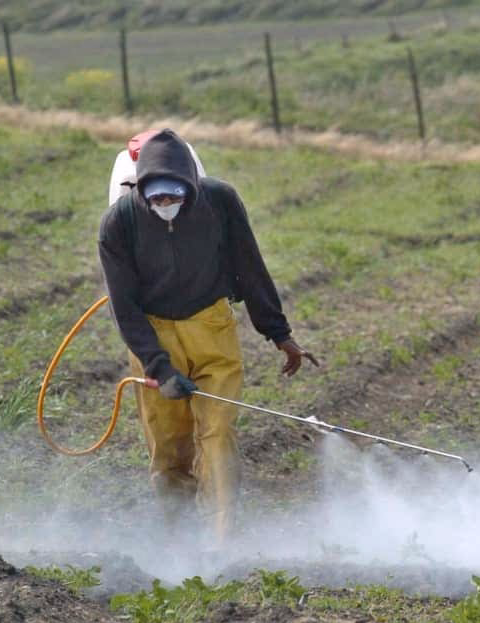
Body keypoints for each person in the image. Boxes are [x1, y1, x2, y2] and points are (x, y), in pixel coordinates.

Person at [97, 128, 317, 541]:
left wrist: (279, 332)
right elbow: (123, 308)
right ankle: (179, 538)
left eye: (174, 197)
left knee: (216, 433)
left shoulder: (220, 202)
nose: (166, 206)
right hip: (152, 333)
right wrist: (159, 368)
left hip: (211, 325)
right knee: (169, 443)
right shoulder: (118, 224)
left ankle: (221, 540)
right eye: (157, 198)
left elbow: (249, 267)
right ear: (141, 192)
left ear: (191, 187)